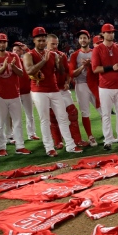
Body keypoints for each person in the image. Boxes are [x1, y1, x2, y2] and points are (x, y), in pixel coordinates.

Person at [23, 27, 83, 157]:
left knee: (63, 117)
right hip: (39, 90)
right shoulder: (29, 54)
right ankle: (49, 147)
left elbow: (61, 72)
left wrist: (58, 62)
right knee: (45, 120)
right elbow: (29, 71)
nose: (41, 43)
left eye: (43, 40)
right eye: (39, 40)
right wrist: (44, 61)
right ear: (34, 40)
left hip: (54, 89)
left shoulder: (53, 54)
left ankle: (70, 145)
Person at [0, 33, 30, 157]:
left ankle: (20, 146)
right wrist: (3, 67)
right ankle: (2, 147)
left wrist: (13, 66)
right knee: (0, 123)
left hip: (15, 93)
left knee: (17, 122)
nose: (2, 44)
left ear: (7, 43)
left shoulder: (13, 56)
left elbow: (21, 74)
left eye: (4, 41)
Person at [91, 23, 118, 150]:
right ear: (102, 34)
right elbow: (95, 69)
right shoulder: (98, 49)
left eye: (112, 32)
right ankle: (108, 140)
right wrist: (112, 67)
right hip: (105, 87)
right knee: (106, 114)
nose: (111, 34)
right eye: (108, 32)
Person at [46, 34, 88, 149]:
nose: (55, 46)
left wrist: (67, 82)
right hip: (49, 91)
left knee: (73, 113)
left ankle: (77, 140)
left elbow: (68, 72)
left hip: (62, 89)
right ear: (47, 44)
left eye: (56, 44)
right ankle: (58, 141)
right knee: (52, 116)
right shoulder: (42, 56)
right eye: (52, 44)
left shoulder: (62, 55)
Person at [69, 30, 100, 147]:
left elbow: (98, 69)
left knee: (103, 110)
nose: (82, 40)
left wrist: (90, 65)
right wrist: (83, 66)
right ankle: (90, 137)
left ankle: (108, 135)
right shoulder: (75, 55)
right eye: (80, 38)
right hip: (81, 85)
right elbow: (72, 74)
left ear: (89, 39)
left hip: (95, 84)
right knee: (85, 112)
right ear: (78, 40)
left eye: (84, 38)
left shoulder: (95, 52)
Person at [12, 42, 40, 141]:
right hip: (15, 93)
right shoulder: (10, 62)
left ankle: (31, 134)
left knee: (30, 114)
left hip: (27, 91)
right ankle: (15, 136)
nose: (16, 52)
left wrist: (27, 49)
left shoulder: (24, 61)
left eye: (18, 50)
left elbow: (33, 59)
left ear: (21, 51)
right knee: (16, 116)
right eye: (14, 50)